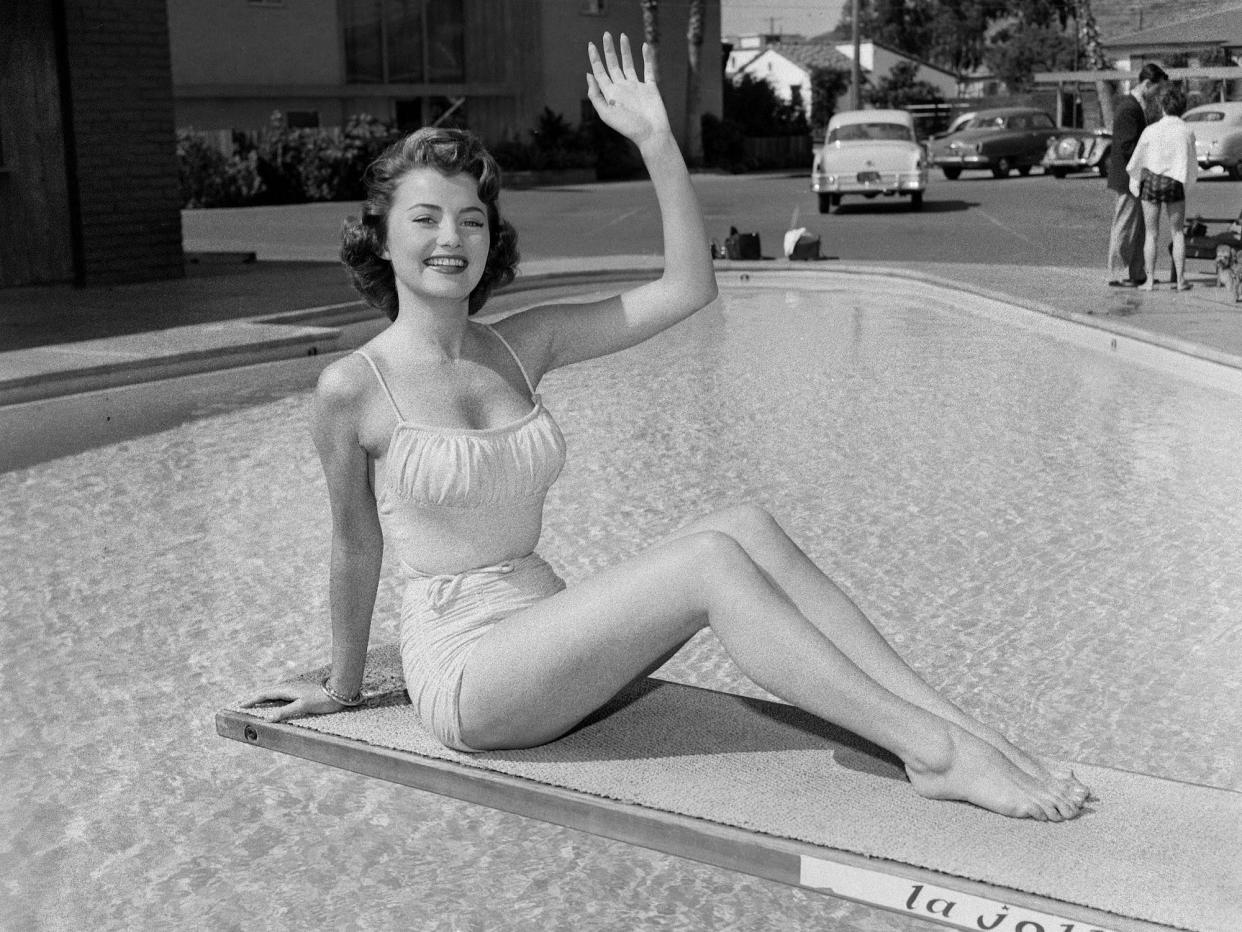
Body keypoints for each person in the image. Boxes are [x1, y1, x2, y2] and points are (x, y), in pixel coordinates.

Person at [243, 33, 1090, 822]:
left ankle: (958, 726)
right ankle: (932, 752)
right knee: (709, 564)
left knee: (744, 526)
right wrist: (344, 689)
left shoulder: (521, 343)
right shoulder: (354, 385)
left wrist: (656, 143)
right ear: (383, 238)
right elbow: (355, 546)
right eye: (425, 218)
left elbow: (689, 287)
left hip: (545, 629)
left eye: (470, 218)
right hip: (468, 673)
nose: (452, 237)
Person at [1126, 84, 1198, 292]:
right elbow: (1192, 163)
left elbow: (1136, 160)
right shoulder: (1186, 130)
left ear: (1162, 107)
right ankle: (1181, 279)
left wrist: (1135, 181)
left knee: (1151, 234)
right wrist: (1188, 183)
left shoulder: (1151, 130)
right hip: (1174, 181)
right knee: (1177, 233)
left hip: (1151, 182)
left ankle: (1149, 281)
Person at [1106, 62, 1169, 288]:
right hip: (1127, 179)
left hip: (1137, 178)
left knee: (1139, 227)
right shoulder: (1128, 107)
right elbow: (1126, 146)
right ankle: (1119, 273)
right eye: (1156, 89)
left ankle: (1136, 272)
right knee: (1125, 225)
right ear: (1146, 84)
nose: (1158, 94)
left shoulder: (1138, 106)